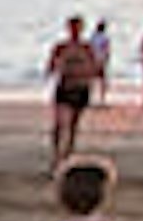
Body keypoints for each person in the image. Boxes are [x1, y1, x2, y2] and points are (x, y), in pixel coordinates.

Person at [44, 15, 105, 164]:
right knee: (59, 122)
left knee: (74, 123)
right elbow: (51, 64)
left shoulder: (87, 47)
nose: (75, 30)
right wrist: (53, 70)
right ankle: (57, 153)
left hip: (81, 86)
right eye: (72, 27)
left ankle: (69, 151)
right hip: (65, 85)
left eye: (77, 27)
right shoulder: (61, 46)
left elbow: (96, 65)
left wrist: (98, 80)